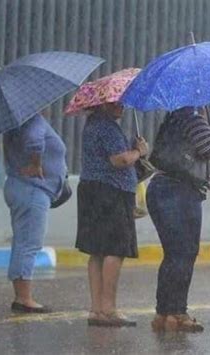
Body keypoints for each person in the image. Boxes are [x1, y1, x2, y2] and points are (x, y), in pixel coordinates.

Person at [147, 106, 210, 333]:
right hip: (180, 190)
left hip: (159, 188)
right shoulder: (193, 119)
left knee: (173, 253)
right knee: (185, 252)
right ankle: (177, 313)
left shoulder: (171, 120)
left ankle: (163, 313)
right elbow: (209, 147)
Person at [75, 102, 148, 327]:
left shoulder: (92, 125)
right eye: (115, 103)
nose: (122, 106)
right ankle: (108, 309)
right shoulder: (106, 127)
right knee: (115, 249)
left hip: (92, 190)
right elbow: (120, 160)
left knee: (97, 250)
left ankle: (96, 309)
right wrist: (139, 151)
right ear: (101, 104)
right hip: (111, 193)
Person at [3, 113, 67, 313]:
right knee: (29, 243)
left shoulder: (13, 124)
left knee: (23, 241)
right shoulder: (31, 119)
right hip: (32, 189)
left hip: (23, 188)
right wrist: (36, 163)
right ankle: (24, 298)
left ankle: (21, 295)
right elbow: (34, 140)